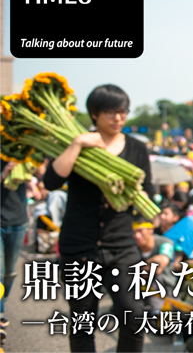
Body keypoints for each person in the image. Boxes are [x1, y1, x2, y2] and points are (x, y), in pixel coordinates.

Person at [43, 84, 154, 352]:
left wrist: (144, 225)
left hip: (122, 245)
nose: (118, 118)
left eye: (123, 112)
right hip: (80, 246)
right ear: (94, 114)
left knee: (134, 315)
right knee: (83, 321)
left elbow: (148, 190)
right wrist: (78, 144)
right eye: (110, 112)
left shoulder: (137, 148)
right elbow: (52, 181)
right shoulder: (77, 142)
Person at [0, 160, 30, 342]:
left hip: (18, 221)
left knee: (9, 273)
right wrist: (3, 175)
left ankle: (2, 303)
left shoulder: (21, 151)